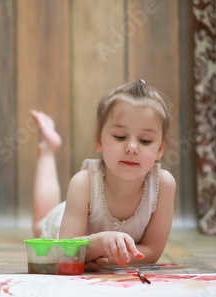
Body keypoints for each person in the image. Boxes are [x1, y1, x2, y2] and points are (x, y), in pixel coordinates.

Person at [31, 79, 176, 271]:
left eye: (145, 140)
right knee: (39, 225)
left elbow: (152, 251)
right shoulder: (83, 183)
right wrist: (99, 242)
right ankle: (47, 151)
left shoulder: (163, 185)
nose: (132, 147)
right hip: (64, 223)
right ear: (99, 140)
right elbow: (66, 253)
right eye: (120, 137)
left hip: (84, 231)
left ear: (160, 149)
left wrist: (99, 257)